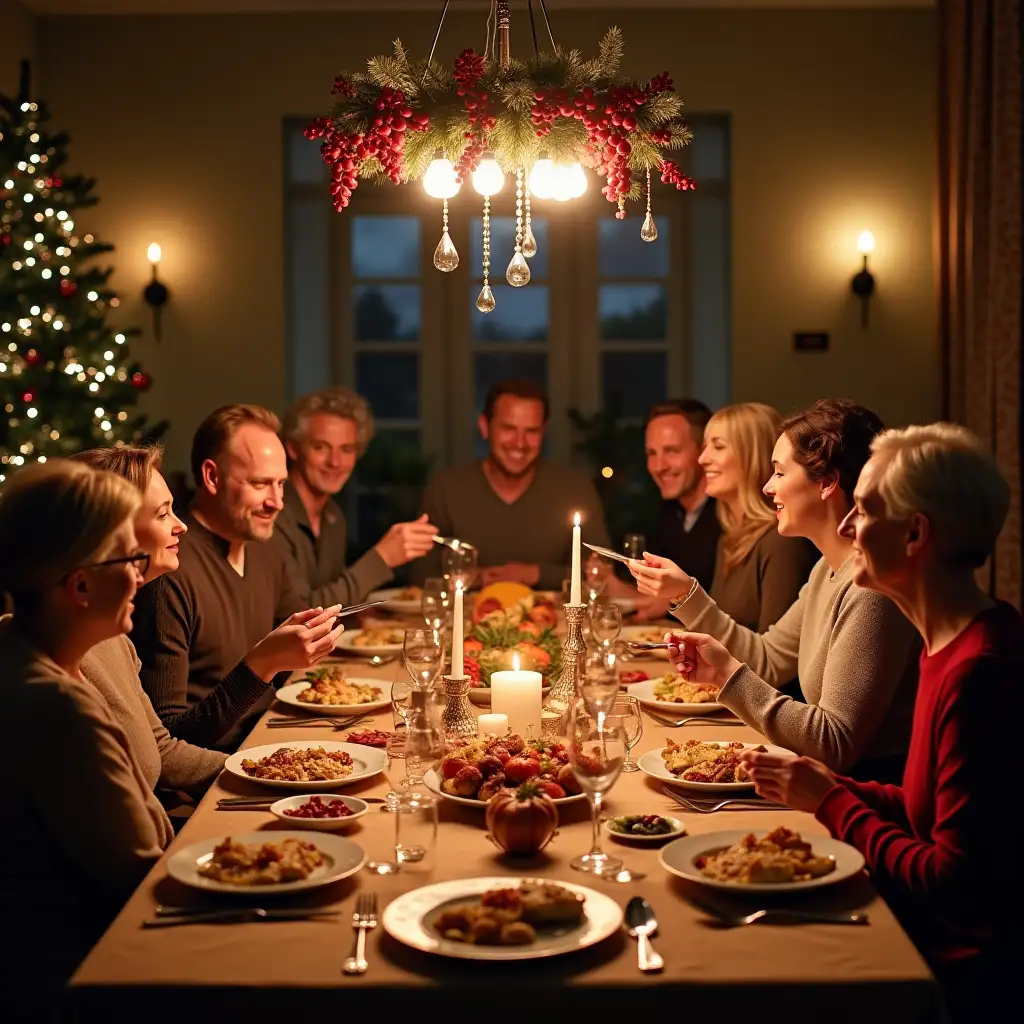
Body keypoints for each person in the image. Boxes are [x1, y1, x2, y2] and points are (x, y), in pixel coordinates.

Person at [737, 424, 1021, 1022]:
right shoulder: (945, 641)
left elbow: (954, 888)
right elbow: (927, 811)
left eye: (862, 512)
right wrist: (828, 788)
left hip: (958, 973)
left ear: (916, 534)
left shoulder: (981, 671)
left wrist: (833, 803)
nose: (844, 530)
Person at [631, 399, 920, 781]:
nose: (768, 487)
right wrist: (688, 596)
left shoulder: (872, 587)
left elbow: (833, 743)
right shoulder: (826, 571)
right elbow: (767, 658)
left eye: (780, 473)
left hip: (865, 801)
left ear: (828, 482)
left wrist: (726, 676)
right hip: (826, 785)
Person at [0, 461, 173, 1016]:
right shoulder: (58, 711)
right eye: (129, 558)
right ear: (79, 585)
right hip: (86, 976)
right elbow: (139, 882)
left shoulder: (24, 654)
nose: (140, 575)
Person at [130, 405, 346, 751]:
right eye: (260, 484)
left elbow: (297, 652)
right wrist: (262, 664)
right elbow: (168, 742)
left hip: (272, 737)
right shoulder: (169, 571)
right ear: (212, 477)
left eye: (281, 484)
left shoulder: (264, 547)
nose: (276, 503)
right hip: (218, 775)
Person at [74, 445, 227, 798]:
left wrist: (260, 769)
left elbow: (159, 748)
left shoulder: (114, 634)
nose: (182, 526)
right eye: (162, 515)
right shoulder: (61, 653)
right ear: (112, 533)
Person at [420, 379, 610, 589]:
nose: (520, 443)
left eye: (531, 431)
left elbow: (600, 574)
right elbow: (421, 578)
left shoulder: (575, 489)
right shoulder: (445, 489)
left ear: (543, 432)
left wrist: (535, 574)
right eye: (508, 428)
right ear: (484, 427)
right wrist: (477, 578)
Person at [273, 387, 438, 606]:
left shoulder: (333, 517)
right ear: (293, 449)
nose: (335, 462)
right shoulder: (273, 514)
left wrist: (367, 618)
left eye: (346, 449)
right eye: (320, 447)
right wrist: (382, 558)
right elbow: (302, 614)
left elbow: (337, 599)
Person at [697, 403, 819, 631]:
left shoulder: (781, 541)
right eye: (705, 447)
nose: (702, 459)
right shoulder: (730, 538)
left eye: (718, 447)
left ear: (754, 456)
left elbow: (775, 659)